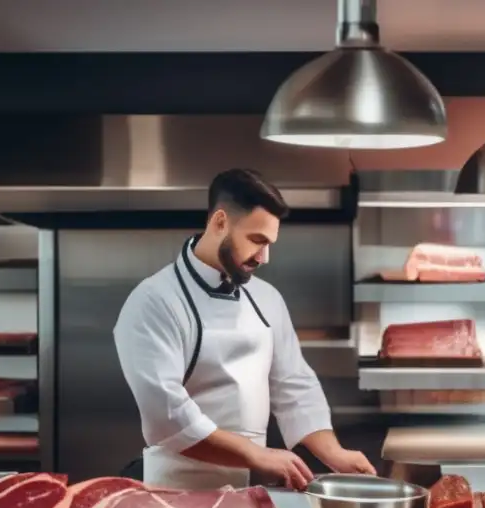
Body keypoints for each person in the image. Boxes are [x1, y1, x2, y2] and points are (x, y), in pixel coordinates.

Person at [113, 168, 375, 490]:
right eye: (256, 240)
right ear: (220, 222)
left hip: (247, 492)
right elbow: (166, 414)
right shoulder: (154, 301)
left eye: (270, 243)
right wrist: (256, 454)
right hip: (178, 491)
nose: (264, 257)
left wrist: (336, 454)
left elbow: (294, 384)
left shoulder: (266, 298)